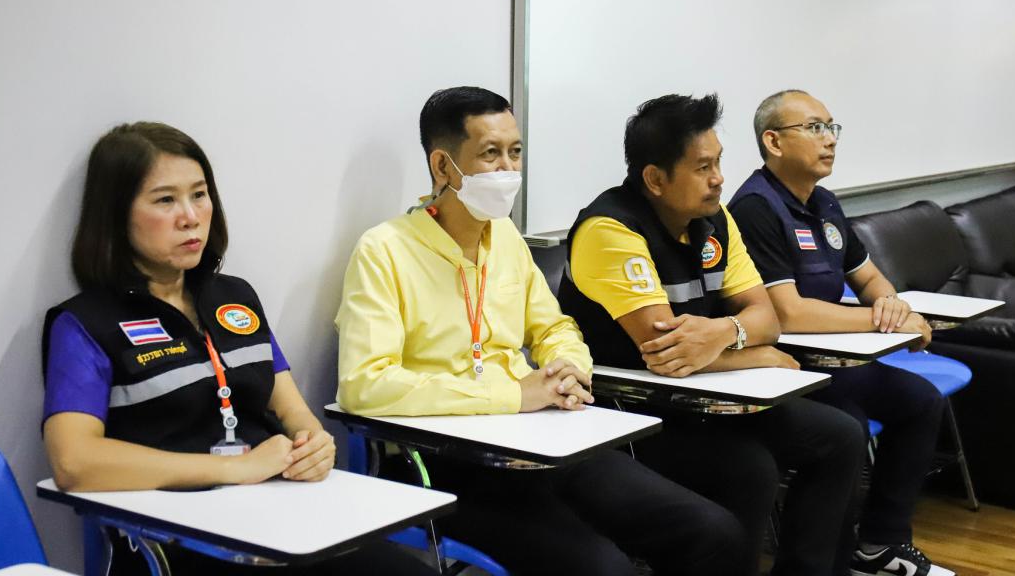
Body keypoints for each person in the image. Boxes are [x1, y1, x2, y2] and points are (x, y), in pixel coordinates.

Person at [335, 86, 745, 576]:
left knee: (715, 533)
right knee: (604, 569)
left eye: (515, 151)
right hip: (451, 462)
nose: (509, 168)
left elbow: (554, 327)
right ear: (443, 166)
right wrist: (511, 395)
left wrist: (569, 367)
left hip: (544, 439)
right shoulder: (384, 251)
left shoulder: (505, 237)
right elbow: (364, 384)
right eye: (491, 154)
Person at [42, 122, 431, 576]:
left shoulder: (234, 297)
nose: (190, 216)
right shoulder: (84, 323)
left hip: (282, 517)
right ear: (116, 215)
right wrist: (233, 469)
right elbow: (74, 462)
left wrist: (315, 444)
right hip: (179, 542)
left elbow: (292, 410)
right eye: (165, 200)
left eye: (199, 194)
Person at [559, 93, 866, 576]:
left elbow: (766, 318)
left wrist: (727, 331)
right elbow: (666, 353)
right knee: (750, 468)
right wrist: (759, 354)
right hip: (633, 409)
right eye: (703, 167)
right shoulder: (610, 229)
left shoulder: (716, 220)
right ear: (655, 179)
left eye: (718, 162)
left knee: (842, 434)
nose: (719, 178)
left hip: (709, 394)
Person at [726, 89, 944, 576]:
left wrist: (891, 303)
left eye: (831, 128)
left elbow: (867, 277)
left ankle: (880, 543)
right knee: (845, 427)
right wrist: (883, 321)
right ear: (773, 141)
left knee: (921, 401)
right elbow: (788, 313)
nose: (829, 140)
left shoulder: (824, 202)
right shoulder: (756, 208)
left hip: (838, 362)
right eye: (814, 128)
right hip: (789, 368)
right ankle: (822, 563)